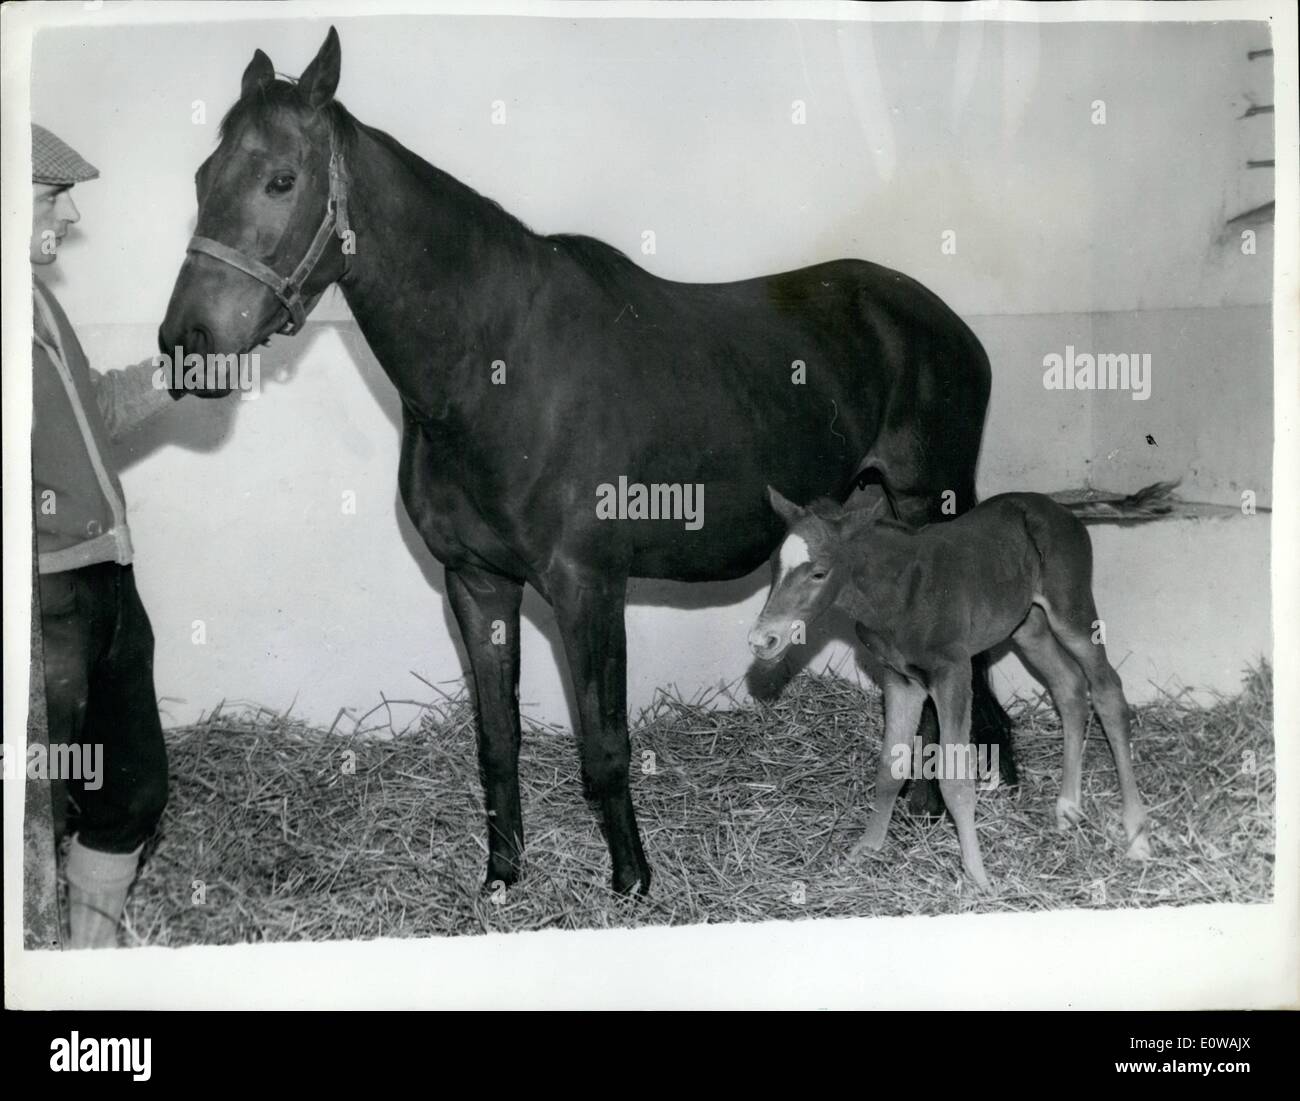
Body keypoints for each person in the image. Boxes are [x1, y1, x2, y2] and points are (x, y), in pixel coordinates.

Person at [30, 123, 228, 948]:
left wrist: (183, 370)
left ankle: (90, 956)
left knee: (132, 784)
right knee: (41, 800)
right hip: (45, 600)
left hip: (105, 581)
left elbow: (99, 412)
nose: (70, 214)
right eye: (51, 195)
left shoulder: (36, 302)